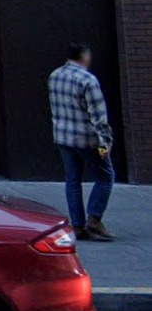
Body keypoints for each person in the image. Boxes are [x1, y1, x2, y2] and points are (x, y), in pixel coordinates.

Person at [48, 43, 116, 242]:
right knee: (106, 176)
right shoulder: (87, 80)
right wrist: (105, 142)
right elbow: (98, 116)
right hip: (87, 138)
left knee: (72, 180)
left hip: (63, 136)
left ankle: (77, 225)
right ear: (84, 57)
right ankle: (94, 219)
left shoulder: (55, 76)